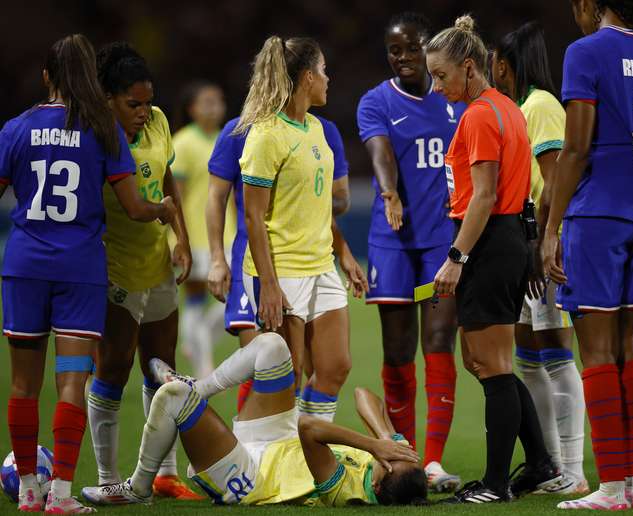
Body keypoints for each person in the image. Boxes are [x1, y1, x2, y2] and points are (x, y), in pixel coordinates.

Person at [1, 34, 175, 514]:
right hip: (80, 269)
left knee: (22, 387)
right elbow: (135, 207)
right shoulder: (102, 130)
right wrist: (162, 209)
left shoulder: (16, 128)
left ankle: (28, 491)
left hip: (25, 267)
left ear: (46, 77)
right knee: (73, 383)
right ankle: (60, 495)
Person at [426, 15, 566, 504]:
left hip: (486, 244)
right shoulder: (508, 107)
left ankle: (495, 483)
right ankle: (543, 463)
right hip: (506, 239)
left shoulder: (481, 115)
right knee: (487, 362)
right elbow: (521, 190)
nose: (435, 85)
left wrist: (456, 257)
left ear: (469, 67)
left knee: (493, 367)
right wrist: (527, 246)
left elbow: (483, 196)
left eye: (441, 75)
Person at [541, 0, 633, 509]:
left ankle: (612, 487)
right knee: (627, 347)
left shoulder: (585, 51)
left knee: (594, 351)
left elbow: (575, 148)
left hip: (596, 215)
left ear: (591, 5)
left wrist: (551, 228)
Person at [80, 333, 428, 507]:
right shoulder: (391, 462)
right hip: (279, 441)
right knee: (273, 345)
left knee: (172, 398)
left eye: (388, 463)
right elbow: (363, 394)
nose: (388, 457)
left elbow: (310, 429)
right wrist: (388, 437)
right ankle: (199, 387)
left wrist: (373, 445)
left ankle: (138, 488)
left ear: (378, 488)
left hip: (252, 475)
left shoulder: (346, 493)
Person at [85, 41, 201, 500]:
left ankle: (166, 473)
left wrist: (183, 239)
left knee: (162, 370)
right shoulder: (94, 136)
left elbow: (168, 179)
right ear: (108, 98)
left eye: (148, 102)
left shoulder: (158, 124)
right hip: (113, 267)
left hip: (156, 265)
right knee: (111, 370)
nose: (143, 111)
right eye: (133, 103)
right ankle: (109, 477)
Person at [356, 11, 463, 492]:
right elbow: (379, 151)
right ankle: (406, 456)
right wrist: (389, 192)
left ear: (428, 47)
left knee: (439, 341)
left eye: (410, 47)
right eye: (394, 50)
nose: (402, 57)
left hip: (443, 238)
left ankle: (435, 462)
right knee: (397, 350)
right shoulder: (376, 101)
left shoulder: (452, 100)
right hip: (393, 240)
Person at [236, 36, 367, 423]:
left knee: (334, 367)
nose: (329, 78)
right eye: (324, 71)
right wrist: (270, 284)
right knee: (286, 377)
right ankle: (248, 456)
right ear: (308, 77)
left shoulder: (315, 129)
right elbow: (252, 218)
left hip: (321, 263)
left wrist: (342, 252)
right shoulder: (266, 135)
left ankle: (310, 456)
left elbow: (318, 204)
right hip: (282, 268)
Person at [491, 21, 588, 494]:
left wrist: (547, 241)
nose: (495, 77)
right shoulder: (525, 107)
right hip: (531, 242)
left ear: (507, 66)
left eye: (497, 68)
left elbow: (552, 181)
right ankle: (550, 467)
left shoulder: (542, 106)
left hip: (548, 244)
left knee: (555, 355)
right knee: (530, 359)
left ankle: (573, 467)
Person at [207, 112, 354, 412]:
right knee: (269, 367)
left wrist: (342, 250)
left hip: (313, 261)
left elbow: (340, 199)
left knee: (320, 369)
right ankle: (247, 450)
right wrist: (217, 258)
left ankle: (301, 449)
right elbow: (216, 197)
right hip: (256, 261)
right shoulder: (241, 131)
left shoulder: (323, 130)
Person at [172, 81, 229, 379]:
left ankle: (196, 341)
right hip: (195, 236)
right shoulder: (182, 143)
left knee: (234, 298)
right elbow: (175, 196)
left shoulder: (226, 139)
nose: (215, 106)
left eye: (218, 100)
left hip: (227, 234)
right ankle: (203, 363)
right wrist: (176, 238)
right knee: (196, 296)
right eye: (207, 101)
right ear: (192, 109)